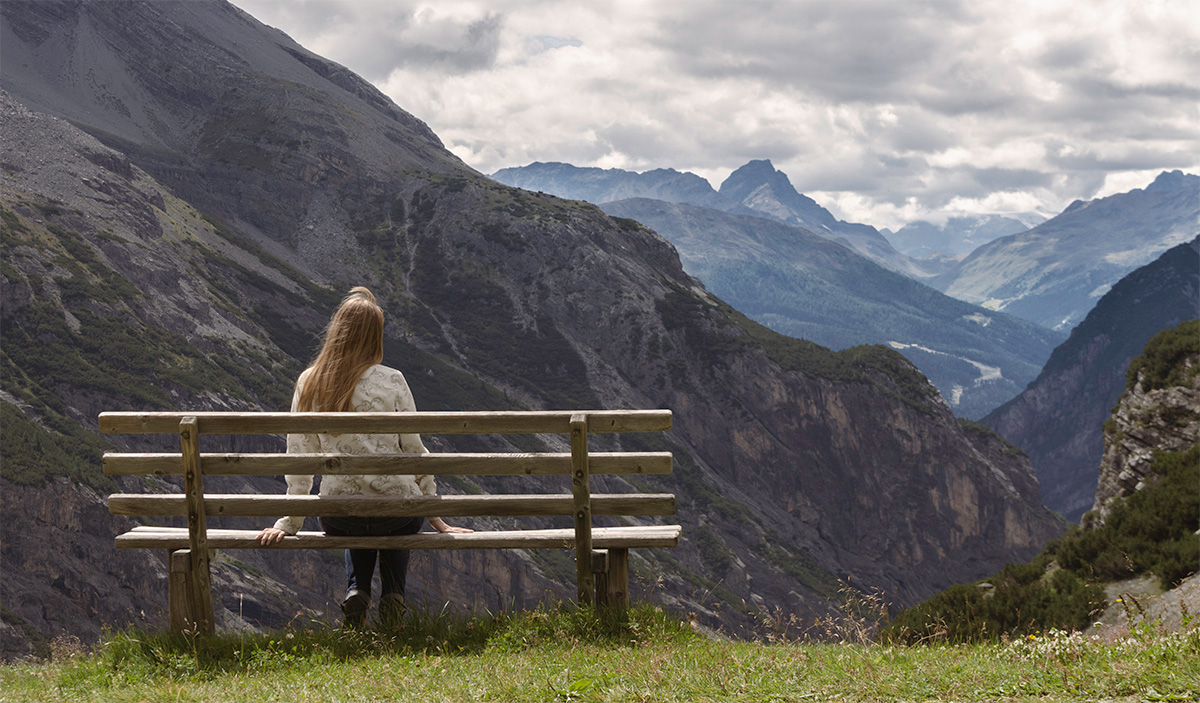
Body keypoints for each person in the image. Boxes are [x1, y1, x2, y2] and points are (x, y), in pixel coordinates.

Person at [257, 286, 470, 627]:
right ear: (375, 336)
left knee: (354, 503)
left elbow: (299, 458)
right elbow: (415, 453)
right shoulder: (393, 380)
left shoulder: (309, 382)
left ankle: (357, 589)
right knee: (396, 502)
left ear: (336, 331)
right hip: (396, 515)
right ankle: (393, 595)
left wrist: (289, 522)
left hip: (339, 517)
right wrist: (436, 519)